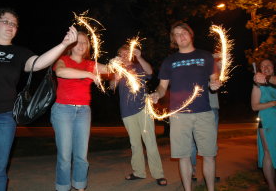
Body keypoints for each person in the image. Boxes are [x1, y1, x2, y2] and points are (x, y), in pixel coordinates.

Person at [0, 7, 77, 191]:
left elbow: (38, 63)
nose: (10, 26)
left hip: (3, 118)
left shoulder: (20, 52)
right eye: (5, 21)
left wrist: (63, 45)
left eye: (14, 24)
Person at [150, 21, 221, 191]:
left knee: (209, 155)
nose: (181, 36)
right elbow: (162, 86)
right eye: (176, 34)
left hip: (204, 113)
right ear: (173, 39)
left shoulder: (206, 56)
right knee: (183, 156)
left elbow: (214, 79)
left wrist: (215, 84)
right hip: (179, 115)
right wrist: (156, 94)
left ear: (190, 34)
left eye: (183, 32)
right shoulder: (169, 61)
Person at [50, 31, 108, 191]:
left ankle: (80, 186)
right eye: (78, 42)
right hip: (63, 110)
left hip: (84, 112)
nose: (82, 45)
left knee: (81, 155)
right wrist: (89, 74)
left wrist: (118, 62)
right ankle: (62, 187)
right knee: (64, 156)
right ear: (71, 45)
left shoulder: (90, 64)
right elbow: (61, 72)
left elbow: (110, 69)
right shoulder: (63, 60)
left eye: (85, 42)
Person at [110, 45, 167, 186]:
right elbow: (111, 87)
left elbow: (150, 71)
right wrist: (116, 77)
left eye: (126, 53)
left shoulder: (138, 66)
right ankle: (138, 172)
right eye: (121, 54)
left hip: (143, 108)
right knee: (135, 144)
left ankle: (158, 174)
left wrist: (140, 57)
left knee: (150, 142)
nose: (124, 56)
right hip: (126, 111)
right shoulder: (118, 69)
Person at [251, 59, 276, 191]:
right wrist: (273, 103)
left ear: (273, 67)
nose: (265, 67)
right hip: (266, 120)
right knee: (268, 152)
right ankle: (272, 187)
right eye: (262, 66)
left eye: (268, 65)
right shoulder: (258, 85)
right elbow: (254, 106)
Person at [190, 89, 220, 182]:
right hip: (197, 106)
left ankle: (209, 173)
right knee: (194, 142)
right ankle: (192, 171)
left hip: (210, 106)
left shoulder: (214, 74)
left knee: (210, 142)